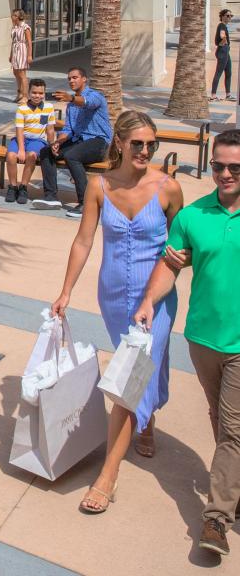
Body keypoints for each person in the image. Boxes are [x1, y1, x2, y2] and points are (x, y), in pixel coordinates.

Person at [51, 111, 185, 515]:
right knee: (147, 370)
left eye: (152, 144)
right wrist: (65, 291)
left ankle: (107, 477)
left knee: (128, 378)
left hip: (155, 299)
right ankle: (147, 421)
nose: (145, 151)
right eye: (138, 143)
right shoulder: (98, 185)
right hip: (112, 296)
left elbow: (183, 248)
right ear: (120, 143)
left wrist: (185, 257)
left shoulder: (169, 189)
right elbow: (83, 241)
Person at [134, 128, 240, 557]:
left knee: (232, 429)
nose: (225, 174)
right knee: (221, 418)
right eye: (218, 166)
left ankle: (216, 518)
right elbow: (169, 266)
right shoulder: (192, 216)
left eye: (235, 167)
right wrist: (147, 302)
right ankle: (233, 486)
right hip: (202, 339)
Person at [33, 66, 112, 218]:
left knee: (72, 156)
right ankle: (51, 197)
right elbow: (69, 129)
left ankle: (86, 202)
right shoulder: (71, 107)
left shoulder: (96, 96)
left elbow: (88, 103)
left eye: (75, 77)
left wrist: (71, 98)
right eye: (69, 78)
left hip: (99, 141)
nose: (71, 80)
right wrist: (58, 142)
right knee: (46, 151)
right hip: (79, 141)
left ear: (84, 79)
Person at [5, 78, 55, 204]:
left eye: (40, 93)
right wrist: (21, 149)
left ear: (44, 93)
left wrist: (52, 145)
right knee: (11, 156)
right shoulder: (22, 108)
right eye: (34, 92)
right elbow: (19, 130)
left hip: (38, 140)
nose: (37, 96)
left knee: (31, 156)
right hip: (21, 140)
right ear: (28, 92)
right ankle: (12, 187)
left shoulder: (49, 108)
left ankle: (23, 187)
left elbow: (50, 130)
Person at [9, 9, 33, 102]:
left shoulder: (25, 27)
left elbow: (29, 42)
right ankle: (19, 93)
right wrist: (11, 54)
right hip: (15, 51)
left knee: (22, 74)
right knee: (15, 72)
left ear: (19, 17)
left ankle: (26, 96)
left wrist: (29, 55)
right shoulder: (14, 27)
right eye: (13, 15)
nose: (13, 17)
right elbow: (13, 42)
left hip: (22, 50)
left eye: (15, 15)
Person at [210, 8, 234, 102]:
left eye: (230, 16)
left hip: (225, 51)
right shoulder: (221, 25)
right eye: (227, 16)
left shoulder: (224, 26)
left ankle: (228, 95)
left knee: (229, 72)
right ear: (222, 16)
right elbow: (222, 37)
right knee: (218, 73)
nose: (229, 18)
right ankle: (213, 96)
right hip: (223, 51)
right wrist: (224, 43)